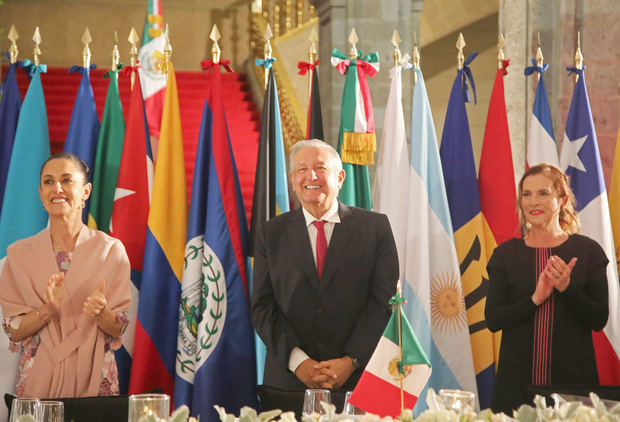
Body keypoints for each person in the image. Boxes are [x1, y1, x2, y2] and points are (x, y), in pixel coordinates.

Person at [251, 139, 399, 404]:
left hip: (357, 382)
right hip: (287, 384)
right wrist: (298, 361)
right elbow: (262, 307)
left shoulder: (375, 228)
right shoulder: (270, 234)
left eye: (320, 168)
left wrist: (351, 360)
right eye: (302, 170)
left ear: (340, 177)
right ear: (293, 180)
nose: (311, 176)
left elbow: (383, 303)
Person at [0, 152, 132, 398]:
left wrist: (102, 313)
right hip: (38, 379)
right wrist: (48, 309)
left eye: (67, 180)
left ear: (86, 191)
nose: (57, 188)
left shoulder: (110, 251)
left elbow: (118, 328)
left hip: (94, 378)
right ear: (40, 193)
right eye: (49, 181)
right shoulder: (18, 255)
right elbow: (13, 331)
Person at [484, 163, 609, 414]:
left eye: (543, 193)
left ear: (562, 200)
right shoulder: (505, 255)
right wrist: (534, 299)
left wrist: (567, 287)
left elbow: (598, 319)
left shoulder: (588, 252)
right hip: (515, 389)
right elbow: (494, 319)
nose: (532, 202)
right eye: (526, 194)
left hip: (572, 391)